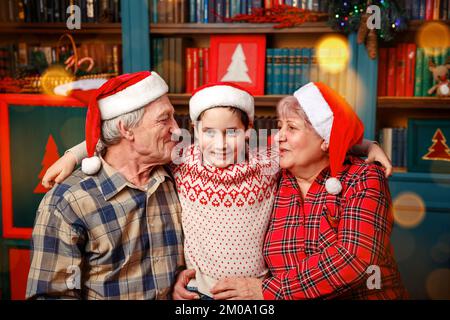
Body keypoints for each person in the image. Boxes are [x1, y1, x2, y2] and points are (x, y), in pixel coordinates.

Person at [41, 82, 392, 300]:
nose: (221, 143)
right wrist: (77, 152)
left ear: (249, 130)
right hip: (202, 293)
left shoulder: (269, 160)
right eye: (208, 132)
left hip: (258, 293)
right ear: (194, 131)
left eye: (232, 133)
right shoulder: (183, 157)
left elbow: (328, 135)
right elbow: (124, 140)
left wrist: (362, 145)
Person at [209, 82, 408, 300]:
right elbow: (218, 147)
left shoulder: (363, 177)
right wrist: (188, 276)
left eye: (291, 128)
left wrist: (266, 291)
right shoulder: (272, 171)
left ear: (325, 139)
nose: (278, 136)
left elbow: (354, 260)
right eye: (280, 126)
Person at [26, 71, 184, 299]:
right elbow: (50, 295)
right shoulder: (68, 202)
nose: (177, 129)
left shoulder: (182, 175)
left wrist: (188, 280)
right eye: (164, 119)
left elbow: (222, 137)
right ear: (126, 129)